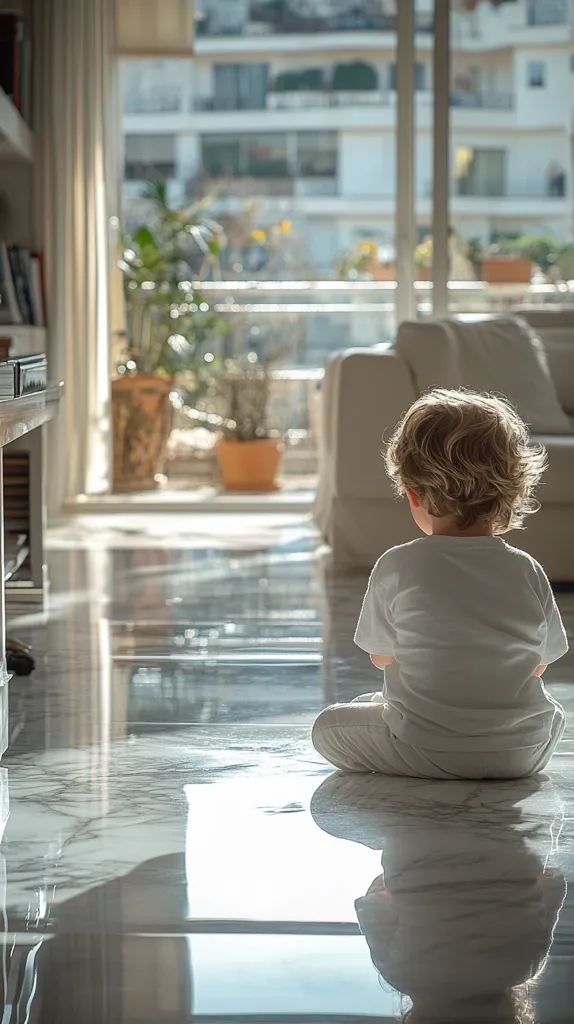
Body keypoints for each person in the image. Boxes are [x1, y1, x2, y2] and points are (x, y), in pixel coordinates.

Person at [312, 389, 568, 778]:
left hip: (426, 750)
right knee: (554, 712)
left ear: (415, 495)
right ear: (512, 492)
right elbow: (538, 664)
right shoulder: (527, 569)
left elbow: (381, 656)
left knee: (329, 726)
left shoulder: (397, 565)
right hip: (523, 754)